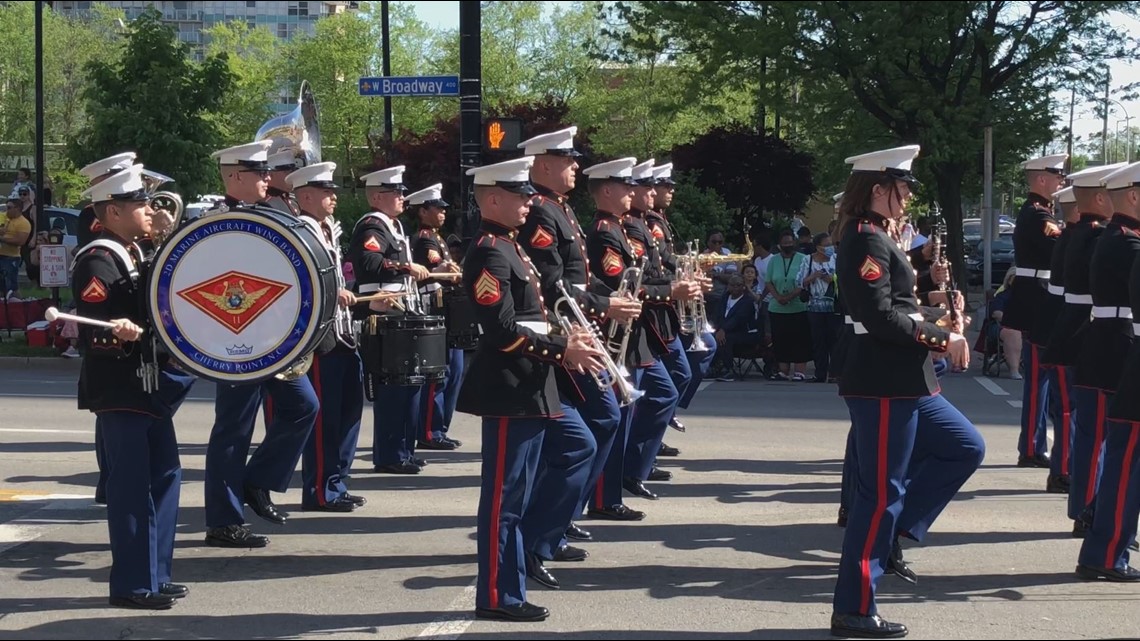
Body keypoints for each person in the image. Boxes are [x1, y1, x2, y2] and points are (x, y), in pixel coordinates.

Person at [831, 144, 983, 639]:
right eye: (903, 187)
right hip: (881, 380)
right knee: (880, 495)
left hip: (905, 377)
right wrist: (942, 337)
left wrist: (939, 314)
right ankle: (854, 608)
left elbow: (899, 306)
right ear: (878, 190)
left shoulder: (878, 236)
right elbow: (878, 317)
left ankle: (891, 534)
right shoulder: (863, 239)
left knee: (964, 447)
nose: (908, 197)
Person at [458, 156, 606, 621]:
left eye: (528, 194)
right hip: (510, 388)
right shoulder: (488, 251)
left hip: (532, 384)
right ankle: (499, 596)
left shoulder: (510, 247)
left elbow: (536, 314)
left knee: (576, 448)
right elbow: (501, 330)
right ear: (494, 199)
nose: (527, 202)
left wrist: (568, 339)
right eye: (519, 196)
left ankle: (531, 554)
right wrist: (562, 349)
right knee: (504, 498)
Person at [72, 164, 195, 609]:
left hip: (149, 385)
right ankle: (132, 583)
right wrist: (116, 329)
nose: (149, 209)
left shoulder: (135, 252)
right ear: (112, 211)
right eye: (139, 203)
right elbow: (92, 330)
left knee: (166, 476)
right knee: (130, 487)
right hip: (121, 387)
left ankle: (156, 574)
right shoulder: (97, 258)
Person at [515, 127, 639, 551]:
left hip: (577, 331)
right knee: (592, 426)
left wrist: (604, 305)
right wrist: (605, 307)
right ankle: (550, 525)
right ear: (544, 165)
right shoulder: (539, 211)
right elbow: (551, 283)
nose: (576, 168)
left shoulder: (560, 210)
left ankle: (561, 518)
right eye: (569, 161)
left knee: (603, 419)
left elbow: (576, 279)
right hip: (558, 337)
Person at [202, 140, 318, 548]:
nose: (268, 178)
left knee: (304, 406)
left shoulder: (275, 213)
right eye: (258, 172)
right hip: (235, 339)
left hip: (274, 340)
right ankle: (222, 520)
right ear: (234, 176)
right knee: (233, 428)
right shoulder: (215, 222)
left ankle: (257, 481)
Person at [1047, 163, 1126, 534]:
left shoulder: (1078, 235)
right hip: (1095, 334)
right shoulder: (1100, 237)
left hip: (1078, 330)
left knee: (1087, 430)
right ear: (1099, 197)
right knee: (1095, 433)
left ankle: (1084, 506)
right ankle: (1088, 509)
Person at [287, 161, 366, 513]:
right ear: (306, 195)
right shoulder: (301, 230)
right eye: (326, 191)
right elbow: (303, 281)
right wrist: (336, 294)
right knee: (326, 419)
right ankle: (319, 488)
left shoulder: (324, 228)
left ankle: (336, 481)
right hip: (321, 338)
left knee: (349, 411)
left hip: (341, 332)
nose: (333, 196)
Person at [345, 165, 432, 474]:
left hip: (401, 310)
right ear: (378, 196)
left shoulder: (391, 226)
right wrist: (406, 267)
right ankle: (389, 453)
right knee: (394, 387)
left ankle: (404, 450)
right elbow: (369, 262)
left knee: (409, 384)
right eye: (396, 192)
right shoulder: (372, 225)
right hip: (383, 314)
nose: (403, 198)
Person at [1003, 154, 1068, 469]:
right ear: (1042, 179)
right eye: (1057, 175)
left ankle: (1033, 444)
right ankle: (1031, 446)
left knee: (1040, 378)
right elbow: (1059, 253)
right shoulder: (1038, 216)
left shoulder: (1039, 213)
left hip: (1037, 298)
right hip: (1039, 301)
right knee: (1042, 379)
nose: (1061, 181)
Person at [408, 183, 465, 451]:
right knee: (439, 374)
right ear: (423, 211)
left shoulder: (438, 238)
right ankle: (430, 430)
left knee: (453, 371)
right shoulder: (424, 239)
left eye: (443, 209)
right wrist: (447, 270)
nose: (442, 213)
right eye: (437, 208)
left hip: (447, 311)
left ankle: (438, 427)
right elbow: (435, 270)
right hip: (434, 309)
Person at [766, 230, 811, 380]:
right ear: (779, 245)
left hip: (798, 306)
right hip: (777, 307)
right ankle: (783, 371)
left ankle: (800, 371)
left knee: (799, 339)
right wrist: (778, 297)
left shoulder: (803, 259)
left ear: (795, 243)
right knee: (780, 339)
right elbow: (768, 281)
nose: (787, 246)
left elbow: (804, 281)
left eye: (790, 243)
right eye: (784, 243)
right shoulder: (773, 260)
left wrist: (790, 296)